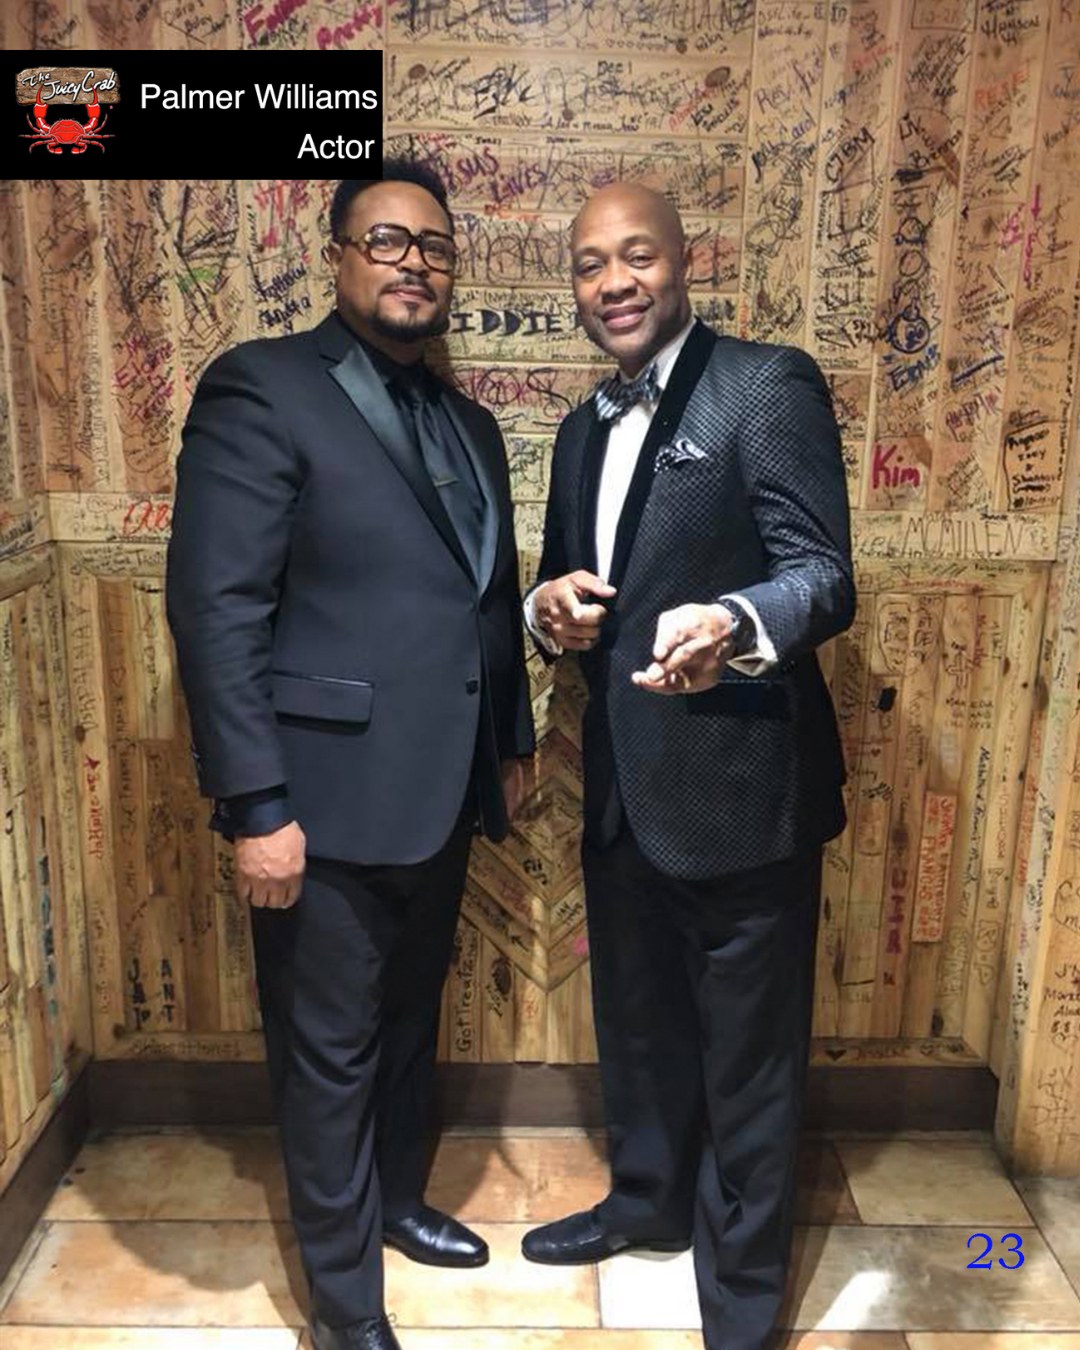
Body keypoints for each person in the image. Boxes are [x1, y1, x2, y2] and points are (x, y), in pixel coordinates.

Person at [166, 163, 534, 1350]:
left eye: (434, 245)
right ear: (336, 256)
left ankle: (398, 1203)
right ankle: (343, 1305)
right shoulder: (262, 386)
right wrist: (255, 803)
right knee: (326, 1053)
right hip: (316, 803)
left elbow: (486, 597)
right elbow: (217, 607)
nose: (414, 261)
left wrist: (511, 739)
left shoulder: (471, 424)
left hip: (445, 787)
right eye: (387, 239)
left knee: (410, 1021)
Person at [520, 183, 854, 1350]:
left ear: (683, 262)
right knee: (639, 1026)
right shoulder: (580, 430)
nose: (613, 281)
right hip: (620, 792)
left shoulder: (765, 385)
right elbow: (568, 582)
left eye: (638, 256)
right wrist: (545, 607)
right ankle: (647, 1205)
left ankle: (743, 1304)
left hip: (745, 797)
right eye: (589, 263)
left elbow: (823, 576)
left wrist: (735, 620)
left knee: (750, 1068)